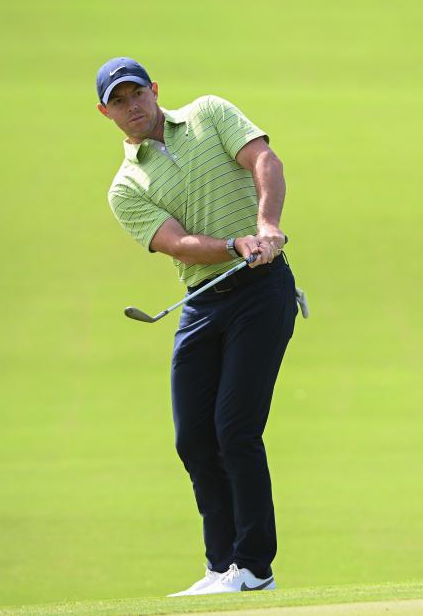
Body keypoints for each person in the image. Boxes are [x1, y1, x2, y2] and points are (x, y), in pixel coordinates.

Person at [96, 57, 297, 596]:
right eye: (118, 101)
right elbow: (177, 243)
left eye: (136, 93)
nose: (131, 105)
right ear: (105, 112)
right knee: (193, 439)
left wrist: (265, 226)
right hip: (203, 300)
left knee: (234, 429)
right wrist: (233, 246)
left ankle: (254, 568)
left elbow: (264, 161)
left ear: (155, 90)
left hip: (263, 291)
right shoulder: (126, 186)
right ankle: (221, 567)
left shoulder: (209, 113)